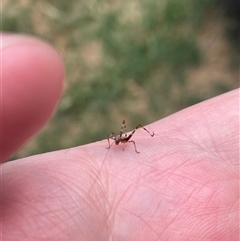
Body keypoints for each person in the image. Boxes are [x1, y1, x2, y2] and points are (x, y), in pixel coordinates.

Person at [1, 34, 238, 241]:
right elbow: (112, 137)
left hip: (130, 138)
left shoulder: (126, 140)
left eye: (116, 141)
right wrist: (111, 143)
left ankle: (144, 132)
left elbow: (125, 139)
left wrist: (128, 145)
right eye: (114, 141)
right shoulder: (114, 140)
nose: (115, 141)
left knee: (134, 131)